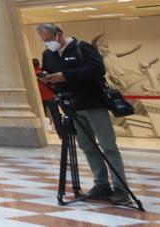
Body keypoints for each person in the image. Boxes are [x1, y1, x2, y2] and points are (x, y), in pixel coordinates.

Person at [37, 22, 129, 204]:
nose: (47, 43)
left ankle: (121, 189)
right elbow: (51, 74)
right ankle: (101, 185)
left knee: (108, 146)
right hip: (71, 107)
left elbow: (97, 70)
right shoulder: (48, 54)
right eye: (44, 41)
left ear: (59, 34)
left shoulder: (82, 48)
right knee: (87, 147)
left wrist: (66, 75)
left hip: (93, 104)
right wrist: (47, 78)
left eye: (48, 39)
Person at [33, 56, 64, 138]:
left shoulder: (31, 75)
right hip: (50, 96)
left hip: (39, 98)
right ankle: (61, 133)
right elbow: (52, 83)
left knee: (39, 117)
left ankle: (41, 134)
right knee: (56, 116)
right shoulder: (42, 73)